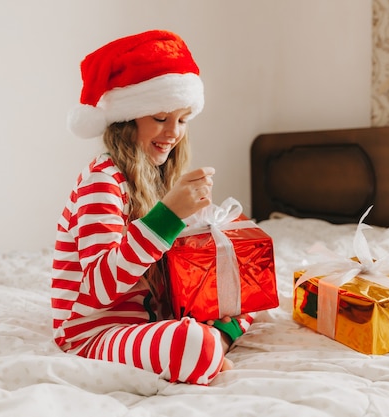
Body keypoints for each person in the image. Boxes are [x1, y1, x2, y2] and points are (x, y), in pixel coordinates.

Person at [51, 29, 254, 385]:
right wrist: (168, 216)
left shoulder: (158, 176)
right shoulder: (103, 179)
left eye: (183, 120)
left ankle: (214, 340)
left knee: (246, 282)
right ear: (127, 121)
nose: (173, 132)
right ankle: (213, 344)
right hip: (94, 331)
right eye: (160, 118)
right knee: (192, 344)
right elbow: (100, 288)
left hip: (149, 321)